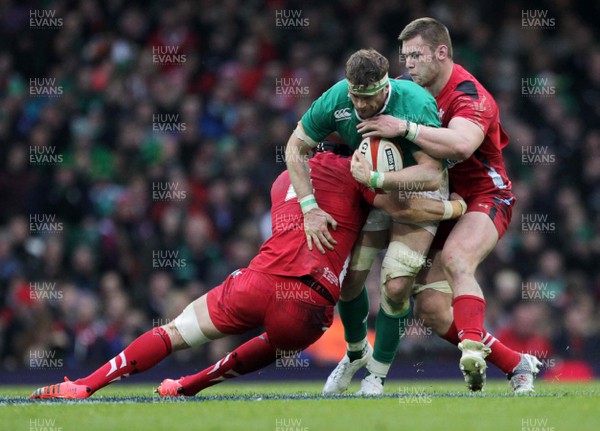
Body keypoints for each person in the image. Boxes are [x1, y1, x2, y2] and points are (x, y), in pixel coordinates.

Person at [29, 146, 466, 399]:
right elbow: (400, 205)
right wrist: (451, 206)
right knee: (276, 341)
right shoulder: (357, 177)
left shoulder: (281, 179)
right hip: (313, 303)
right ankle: (189, 386)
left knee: (176, 331)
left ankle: (85, 386)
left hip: (260, 281)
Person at [348, 17, 541, 392]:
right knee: (433, 312)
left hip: (484, 196)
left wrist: (403, 129)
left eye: (417, 55)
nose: (409, 64)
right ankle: (516, 364)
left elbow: (462, 145)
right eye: (405, 57)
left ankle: (470, 350)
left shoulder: (470, 94)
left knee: (456, 259)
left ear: (441, 52)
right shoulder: (404, 89)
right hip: (437, 199)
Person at [285, 48, 452, 395]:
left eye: (368, 97)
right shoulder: (336, 98)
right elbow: (294, 148)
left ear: (385, 84)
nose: (360, 106)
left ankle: (376, 375)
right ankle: (357, 353)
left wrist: (377, 180)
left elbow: (433, 174)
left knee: (395, 284)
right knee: (348, 282)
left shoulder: (413, 101)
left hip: (416, 189)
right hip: (372, 184)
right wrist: (310, 207)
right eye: (355, 97)